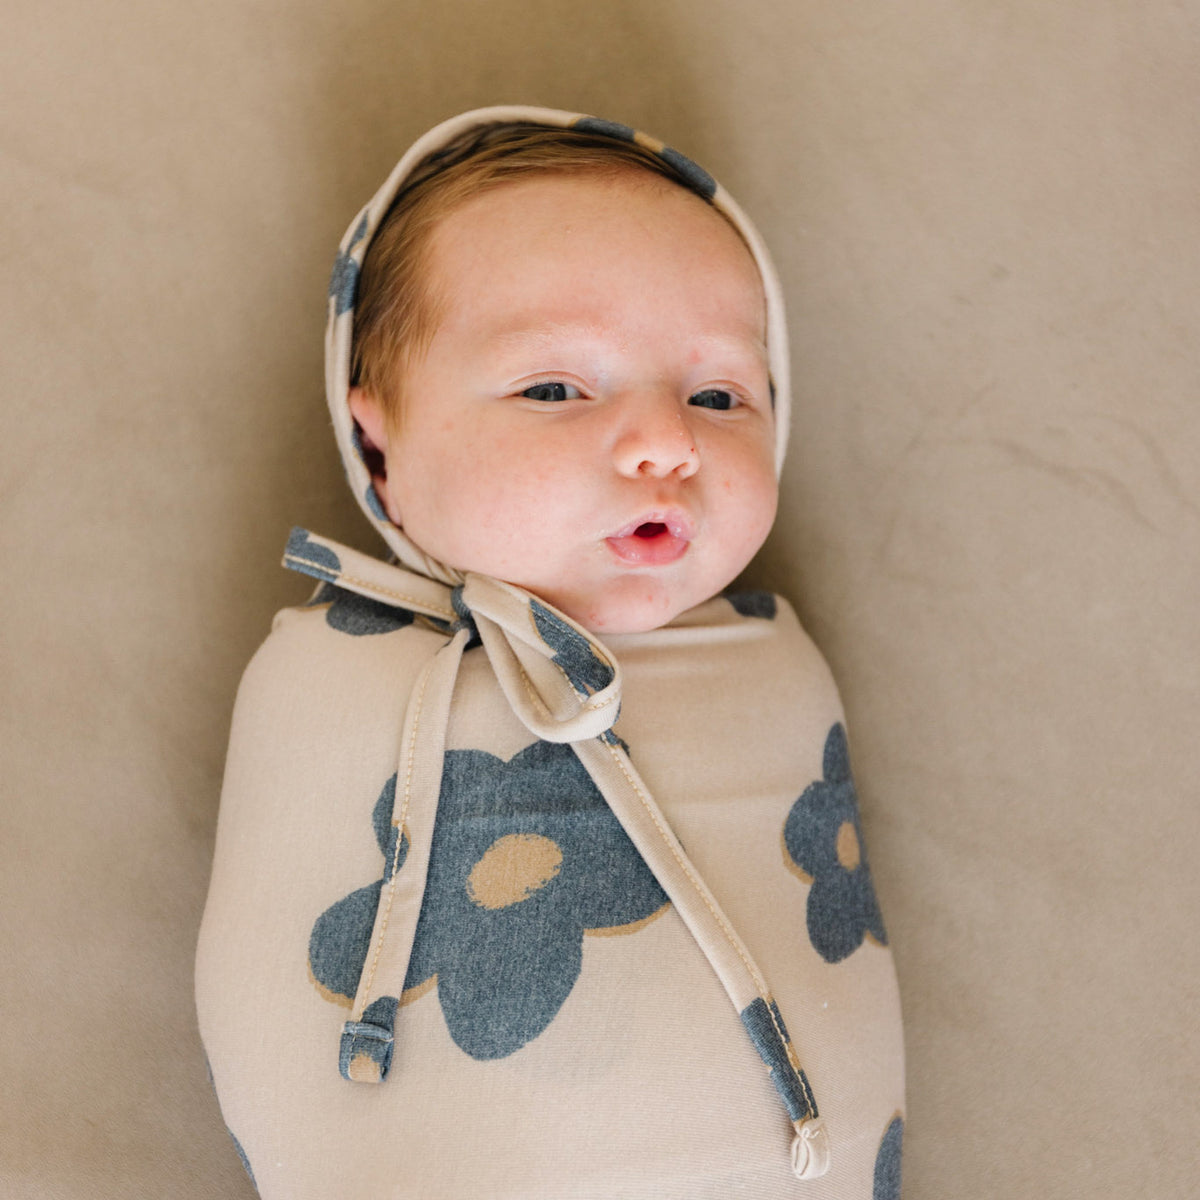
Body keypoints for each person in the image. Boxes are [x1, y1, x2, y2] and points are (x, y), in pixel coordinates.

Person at [195, 106, 905, 1199]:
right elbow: (263, 982)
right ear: (380, 443)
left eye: (720, 394)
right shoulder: (320, 675)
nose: (670, 441)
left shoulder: (776, 664)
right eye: (555, 389)